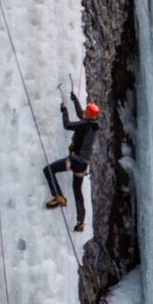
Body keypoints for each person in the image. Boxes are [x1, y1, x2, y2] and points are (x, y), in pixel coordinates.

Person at [43, 92, 100, 232]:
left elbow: (67, 125)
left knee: (48, 169)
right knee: (77, 190)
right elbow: (82, 114)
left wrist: (64, 111)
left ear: (89, 115)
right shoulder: (92, 124)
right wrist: (75, 100)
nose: (84, 113)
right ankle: (80, 222)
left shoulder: (85, 124)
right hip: (83, 164)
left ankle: (58, 197)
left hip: (75, 160)